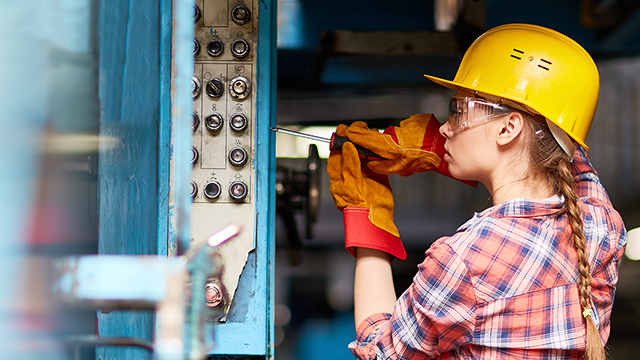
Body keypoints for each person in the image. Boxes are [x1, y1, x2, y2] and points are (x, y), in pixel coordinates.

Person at [327, 23, 627, 359]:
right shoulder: (600, 224)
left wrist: (366, 214)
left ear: (509, 127)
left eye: (457, 111)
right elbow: (565, 152)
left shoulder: (464, 259)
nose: (444, 127)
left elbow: (381, 351)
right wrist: (441, 146)